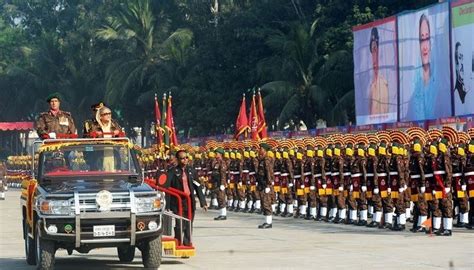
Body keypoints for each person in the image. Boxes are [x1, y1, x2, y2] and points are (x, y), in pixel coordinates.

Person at [166, 150, 207, 245]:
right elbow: (167, 189)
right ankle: (179, 241)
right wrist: (167, 205)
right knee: (180, 224)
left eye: (186, 157)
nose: (185, 160)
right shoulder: (172, 171)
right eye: (182, 158)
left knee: (189, 223)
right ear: (177, 159)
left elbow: (198, 187)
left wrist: (203, 202)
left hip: (189, 201)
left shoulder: (192, 171)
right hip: (178, 201)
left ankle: (187, 243)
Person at [407, 14, 438, 120]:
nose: (425, 46)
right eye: (421, 39)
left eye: (427, 38)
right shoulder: (413, 80)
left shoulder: (439, 78)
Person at [368, 27, 389, 115]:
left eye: (376, 50)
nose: (374, 56)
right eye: (373, 51)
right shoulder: (371, 86)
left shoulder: (383, 84)